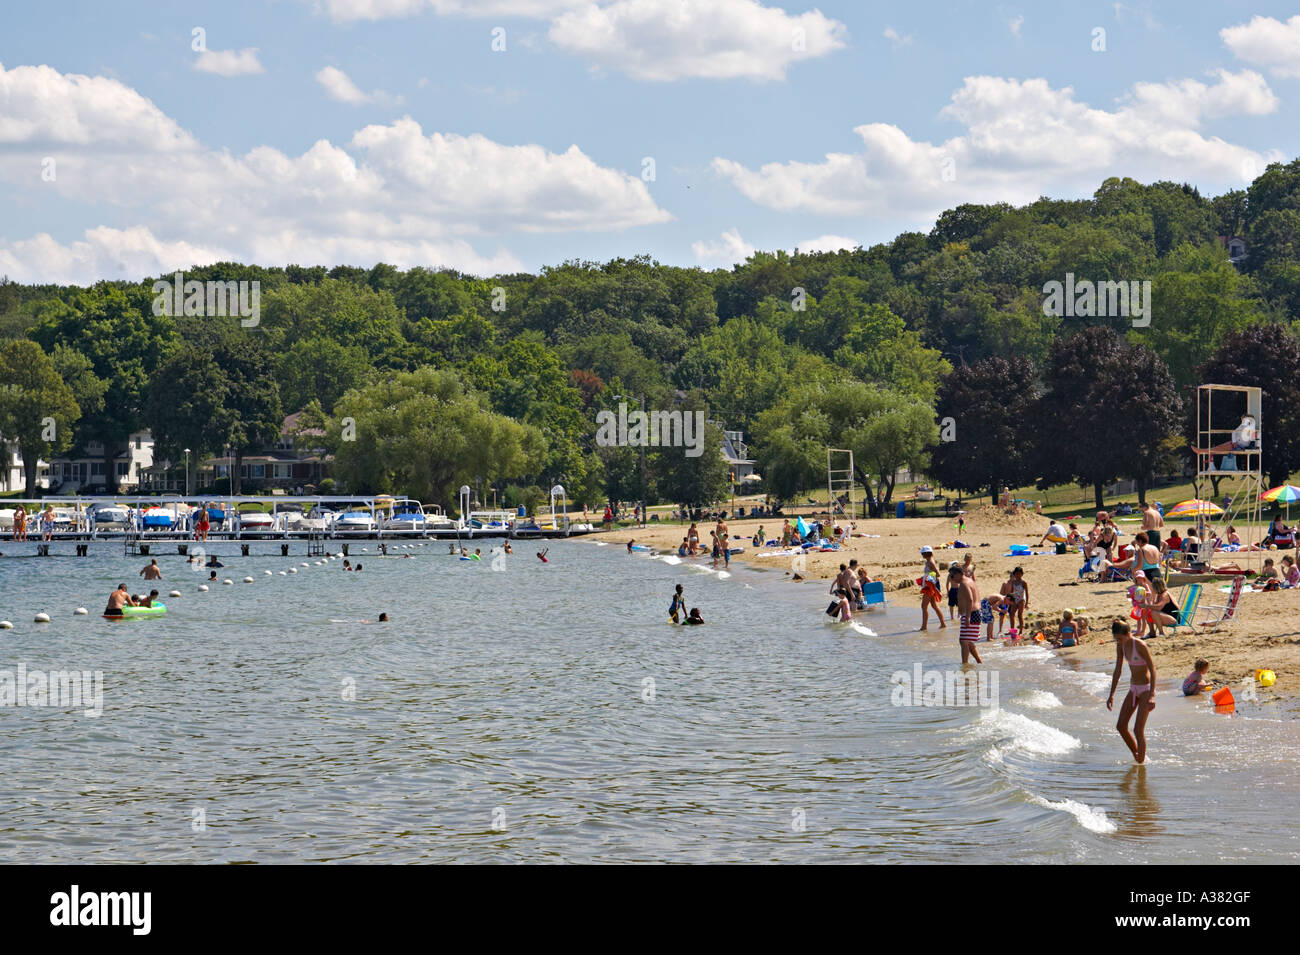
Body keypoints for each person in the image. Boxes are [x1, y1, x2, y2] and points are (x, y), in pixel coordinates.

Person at [1107, 620, 1156, 764]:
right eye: (1116, 639)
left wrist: (1152, 695)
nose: (1118, 642)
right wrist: (1111, 694)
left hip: (1146, 689)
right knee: (1121, 726)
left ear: (1128, 634)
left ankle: (1141, 764)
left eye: (1120, 639)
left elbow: (1153, 670)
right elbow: (1117, 670)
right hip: (1133, 688)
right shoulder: (1120, 646)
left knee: (1138, 729)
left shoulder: (1140, 645)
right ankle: (1138, 758)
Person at [956, 565, 982, 663]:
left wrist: (967, 618)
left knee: (964, 641)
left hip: (971, 613)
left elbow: (970, 599)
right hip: (974, 613)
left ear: (958, 574)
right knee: (967, 641)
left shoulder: (964, 583)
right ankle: (979, 661)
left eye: (952, 576)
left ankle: (964, 666)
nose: (951, 579)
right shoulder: (970, 581)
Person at [918, 546, 945, 631]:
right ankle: (943, 624)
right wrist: (924, 578)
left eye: (922, 553)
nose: (922, 555)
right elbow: (931, 573)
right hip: (929, 586)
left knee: (924, 606)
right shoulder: (929, 561)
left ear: (925, 553)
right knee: (934, 605)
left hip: (929, 587)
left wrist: (928, 578)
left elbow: (938, 574)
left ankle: (924, 627)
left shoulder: (930, 562)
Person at [1002, 567, 1028, 632]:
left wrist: (1026, 603)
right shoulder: (1013, 582)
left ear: (1022, 574)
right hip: (1015, 599)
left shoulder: (1024, 582)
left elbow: (1027, 593)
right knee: (1011, 614)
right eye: (1016, 574)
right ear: (1014, 574)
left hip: (1021, 600)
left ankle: (1021, 631)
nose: (1018, 575)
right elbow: (1012, 591)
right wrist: (1010, 600)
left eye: (1019, 574)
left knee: (1019, 615)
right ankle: (1012, 630)